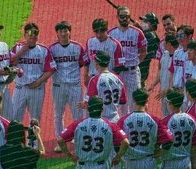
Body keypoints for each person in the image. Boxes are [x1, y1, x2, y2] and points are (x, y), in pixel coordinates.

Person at [48, 21, 88, 152]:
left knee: (78, 113)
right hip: (58, 86)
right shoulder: (52, 49)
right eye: (61, 31)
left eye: (65, 31)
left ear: (69, 32)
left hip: (74, 86)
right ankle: (60, 141)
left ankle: (80, 138)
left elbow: (84, 63)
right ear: (57, 33)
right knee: (58, 114)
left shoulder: (78, 47)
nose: (63, 33)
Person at [58, 96, 129, 168]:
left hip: (83, 166)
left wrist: (69, 156)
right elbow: (125, 142)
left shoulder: (77, 125)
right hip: (102, 166)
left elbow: (60, 139)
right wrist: (118, 157)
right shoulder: (111, 126)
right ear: (102, 110)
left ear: (88, 109)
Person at [11, 23, 56, 122]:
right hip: (20, 88)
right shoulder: (17, 48)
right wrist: (21, 52)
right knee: (15, 118)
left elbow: (51, 69)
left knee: (35, 120)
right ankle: (18, 138)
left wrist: (39, 81)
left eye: (35, 33)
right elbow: (10, 63)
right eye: (30, 33)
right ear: (25, 35)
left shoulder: (43, 50)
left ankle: (34, 138)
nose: (33, 36)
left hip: (37, 89)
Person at [117, 88, 173, 169]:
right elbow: (169, 141)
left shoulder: (123, 121)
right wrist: (159, 153)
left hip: (130, 164)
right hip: (148, 162)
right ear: (147, 101)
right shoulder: (155, 121)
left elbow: (116, 143)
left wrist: (120, 155)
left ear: (134, 101)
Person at [108, 6, 147, 115]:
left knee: (135, 101)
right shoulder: (111, 33)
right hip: (116, 72)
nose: (125, 19)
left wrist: (135, 63)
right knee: (118, 102)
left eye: (127, 16)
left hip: (132, 72)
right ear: (117, 17)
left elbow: (143, 52)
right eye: (122, 16)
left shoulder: (137, 32)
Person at [78, 51, 127, 123]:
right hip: (115, 120)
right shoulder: (118, 79)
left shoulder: (95, 80)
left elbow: (91, 104)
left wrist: (84, 105)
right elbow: (123, 101)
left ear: (96, 63)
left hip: (100, 121)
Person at [161, 88, 196, 169]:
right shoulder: (192, 119)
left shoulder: (165, 122)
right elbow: (195, 145)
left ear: (169, 103)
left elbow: (161, 146)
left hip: (170, 164)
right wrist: (193, 163)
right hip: (186, 162)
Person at [84, 18, 124, 86]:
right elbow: (87, 61)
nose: (99, 35)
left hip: (109, 80)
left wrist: (111, 79)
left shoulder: (115, 44)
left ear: (106, 29)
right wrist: (85, 76)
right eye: (96, 32)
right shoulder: (90, 42)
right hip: (93, 79)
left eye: (101, 32)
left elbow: (119, 66)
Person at [148, 32, 178, 117]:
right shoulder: (165, 54)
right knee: (165, 116)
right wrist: (153, 84)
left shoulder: (178, 57)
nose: (162, 43)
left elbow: (177, 78)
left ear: (168, 43)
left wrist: (167, 91)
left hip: (172, 94)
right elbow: (161, 71)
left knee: (174, 116)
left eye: (164, 41)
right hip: (163, 92)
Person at [138, 12, 160, 87]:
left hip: (140, 70)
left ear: (152, 25)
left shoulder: (150, 35)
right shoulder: (150, 34)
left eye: (146, 21)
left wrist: (137, 30)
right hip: (142, 70)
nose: (143, 23)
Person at [169, 24, 194, 89]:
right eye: (177, 36)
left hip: (187, 91)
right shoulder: (176, 53)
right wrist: (170, 88)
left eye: (182, 36)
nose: (179, 39)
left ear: (190, 36)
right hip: (175, 90)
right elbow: (172, 72)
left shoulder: (195, 54)